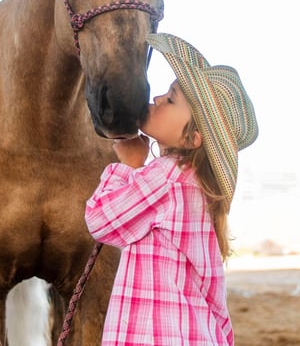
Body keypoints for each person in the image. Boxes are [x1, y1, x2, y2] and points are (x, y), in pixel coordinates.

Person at [84, 33, 258, 346]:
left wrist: (128, 166)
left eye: (172, 99)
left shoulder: (167, 178)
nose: (159, 98)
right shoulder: (195, 187)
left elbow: (100, 221)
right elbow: (214, 299)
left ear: (192, 139)